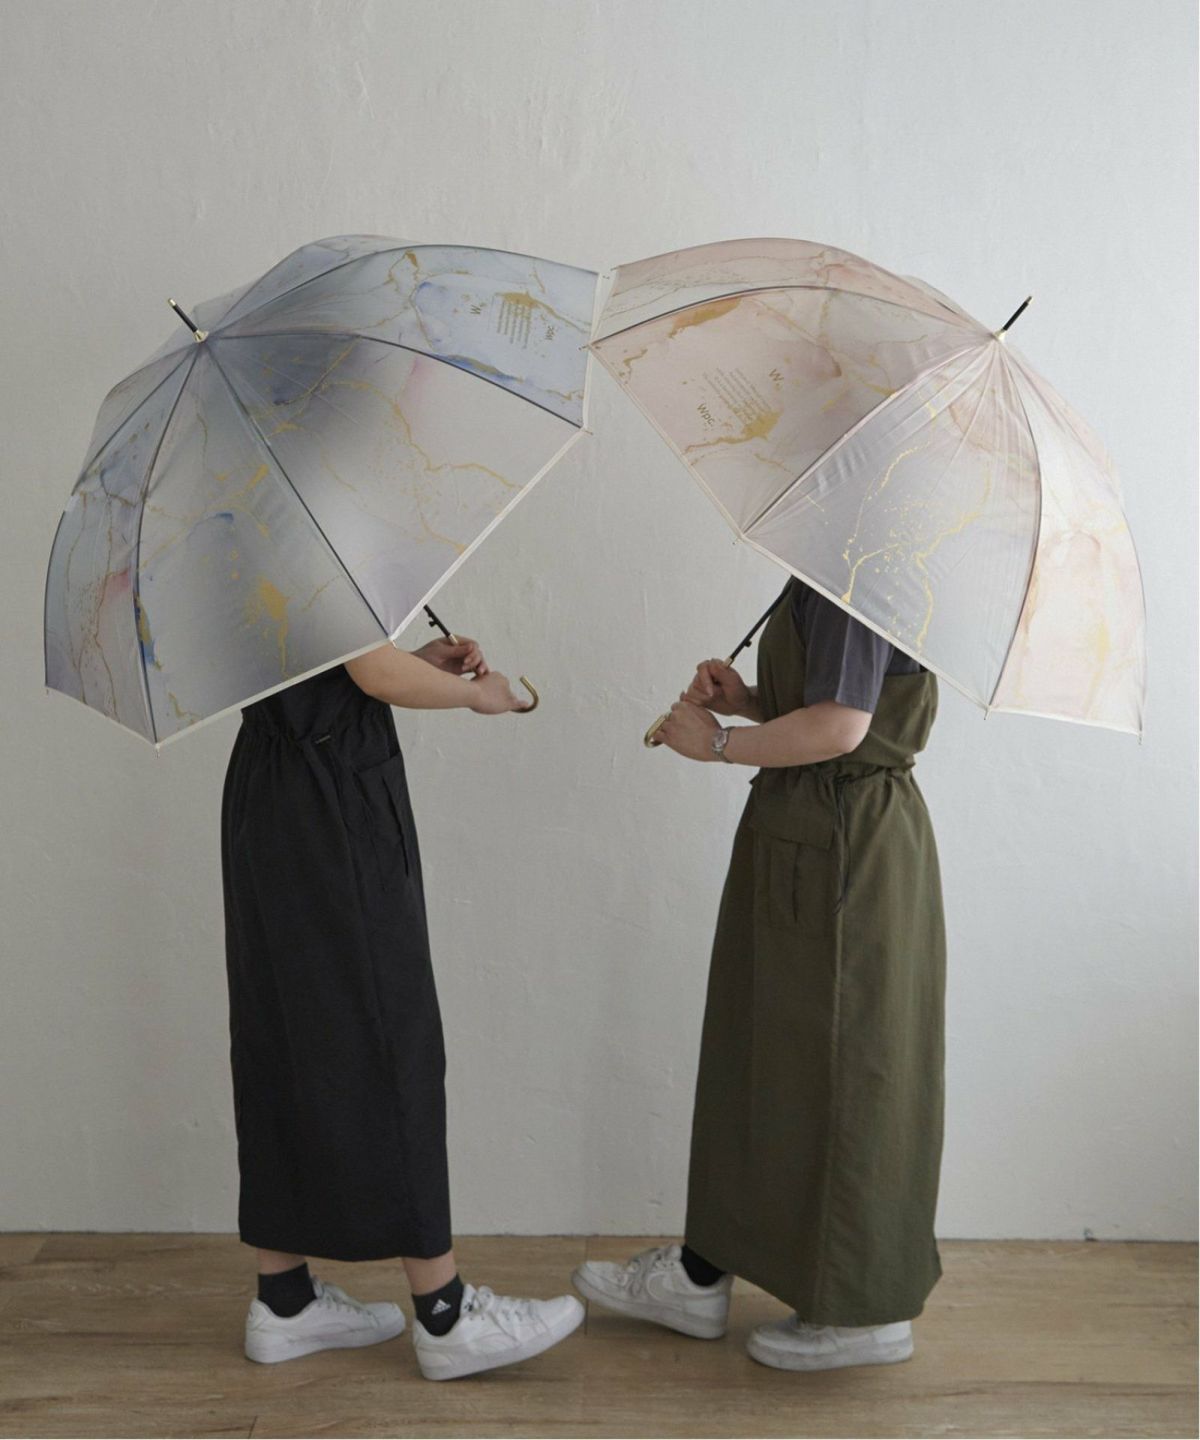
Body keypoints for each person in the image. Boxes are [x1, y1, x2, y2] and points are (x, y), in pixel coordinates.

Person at [573, 576, 945, 1373]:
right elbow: (836, 703)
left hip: (841, 849)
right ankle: (702, 1274)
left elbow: (843, 726)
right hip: (810, 835)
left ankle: (863, 1310)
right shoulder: (833, 568)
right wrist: (746, 700)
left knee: (847, 1071)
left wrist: (717, 743)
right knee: (760, 1058)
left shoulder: (857, 577)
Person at [221, 633, 583, 1380]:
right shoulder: (321, 549)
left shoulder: (246, 551)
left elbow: (323, 665)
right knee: (390, 1035)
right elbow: (372, 672)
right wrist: (475, 694)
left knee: (283, 1031)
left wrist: (412, 663)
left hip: (269, 783)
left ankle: (284, 1299)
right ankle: (445, 1314)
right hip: (333, 793)